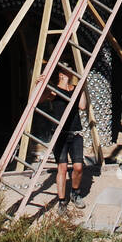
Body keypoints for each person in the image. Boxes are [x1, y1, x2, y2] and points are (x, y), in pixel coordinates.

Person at [44, 71, 88, 212]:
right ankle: (62, 201)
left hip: (75, 133)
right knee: (62, 168)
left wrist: (81, 88)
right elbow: (38, 100)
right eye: (64, 70)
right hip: (60, 134)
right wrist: (39, 85)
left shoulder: (75, 89)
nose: (67, 73)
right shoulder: (54, 90)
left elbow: (82, 106)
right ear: (60, 74)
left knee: (78, 167)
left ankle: (75, 193)